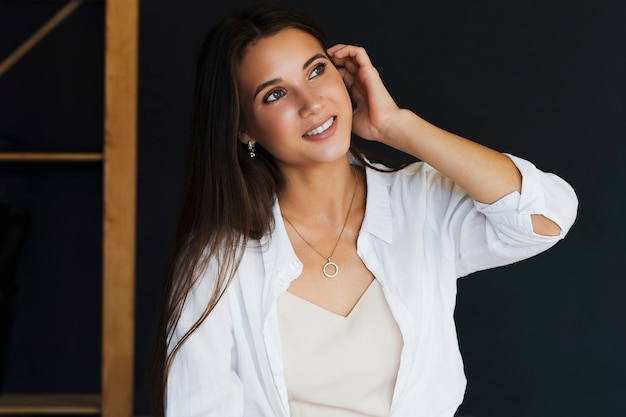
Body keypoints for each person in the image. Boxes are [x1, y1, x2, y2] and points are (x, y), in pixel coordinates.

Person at [149, 2, 578, 417]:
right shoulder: (218, 261)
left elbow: (546, 217)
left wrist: (398, 127)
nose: (311, 102)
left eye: (317, 70)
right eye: (275, 93)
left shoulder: (419, 204)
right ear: (244, 129)